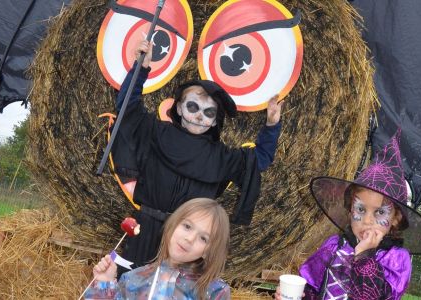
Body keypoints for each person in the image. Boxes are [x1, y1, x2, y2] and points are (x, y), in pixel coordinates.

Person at [110, 40, 283, 270]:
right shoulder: (156, 132)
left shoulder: (221, 157)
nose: (200, 116)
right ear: (179, 108)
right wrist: (141, 68)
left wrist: (271, 125)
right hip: (144, 230)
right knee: (130, 288)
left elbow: (258, 160)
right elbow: (128, 109)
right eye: (193, 107)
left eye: (208, 112)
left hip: (186, 245)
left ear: (214, 120)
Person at [277, 129, 421, 299]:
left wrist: (364, 255)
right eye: (360, 209)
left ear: (396, 219)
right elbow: (312, 290)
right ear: (350, 209)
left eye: (380, 212)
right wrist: (298, 296)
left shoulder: (395, 259)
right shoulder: (333, 246)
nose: (367, 220)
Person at [84, 198, 231, 299]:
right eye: (187, 226)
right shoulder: (134, 279)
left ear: (208, 251)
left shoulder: (214, 291)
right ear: (172, 226)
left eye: (203, 238)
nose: (190, 238)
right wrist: (105, 283)